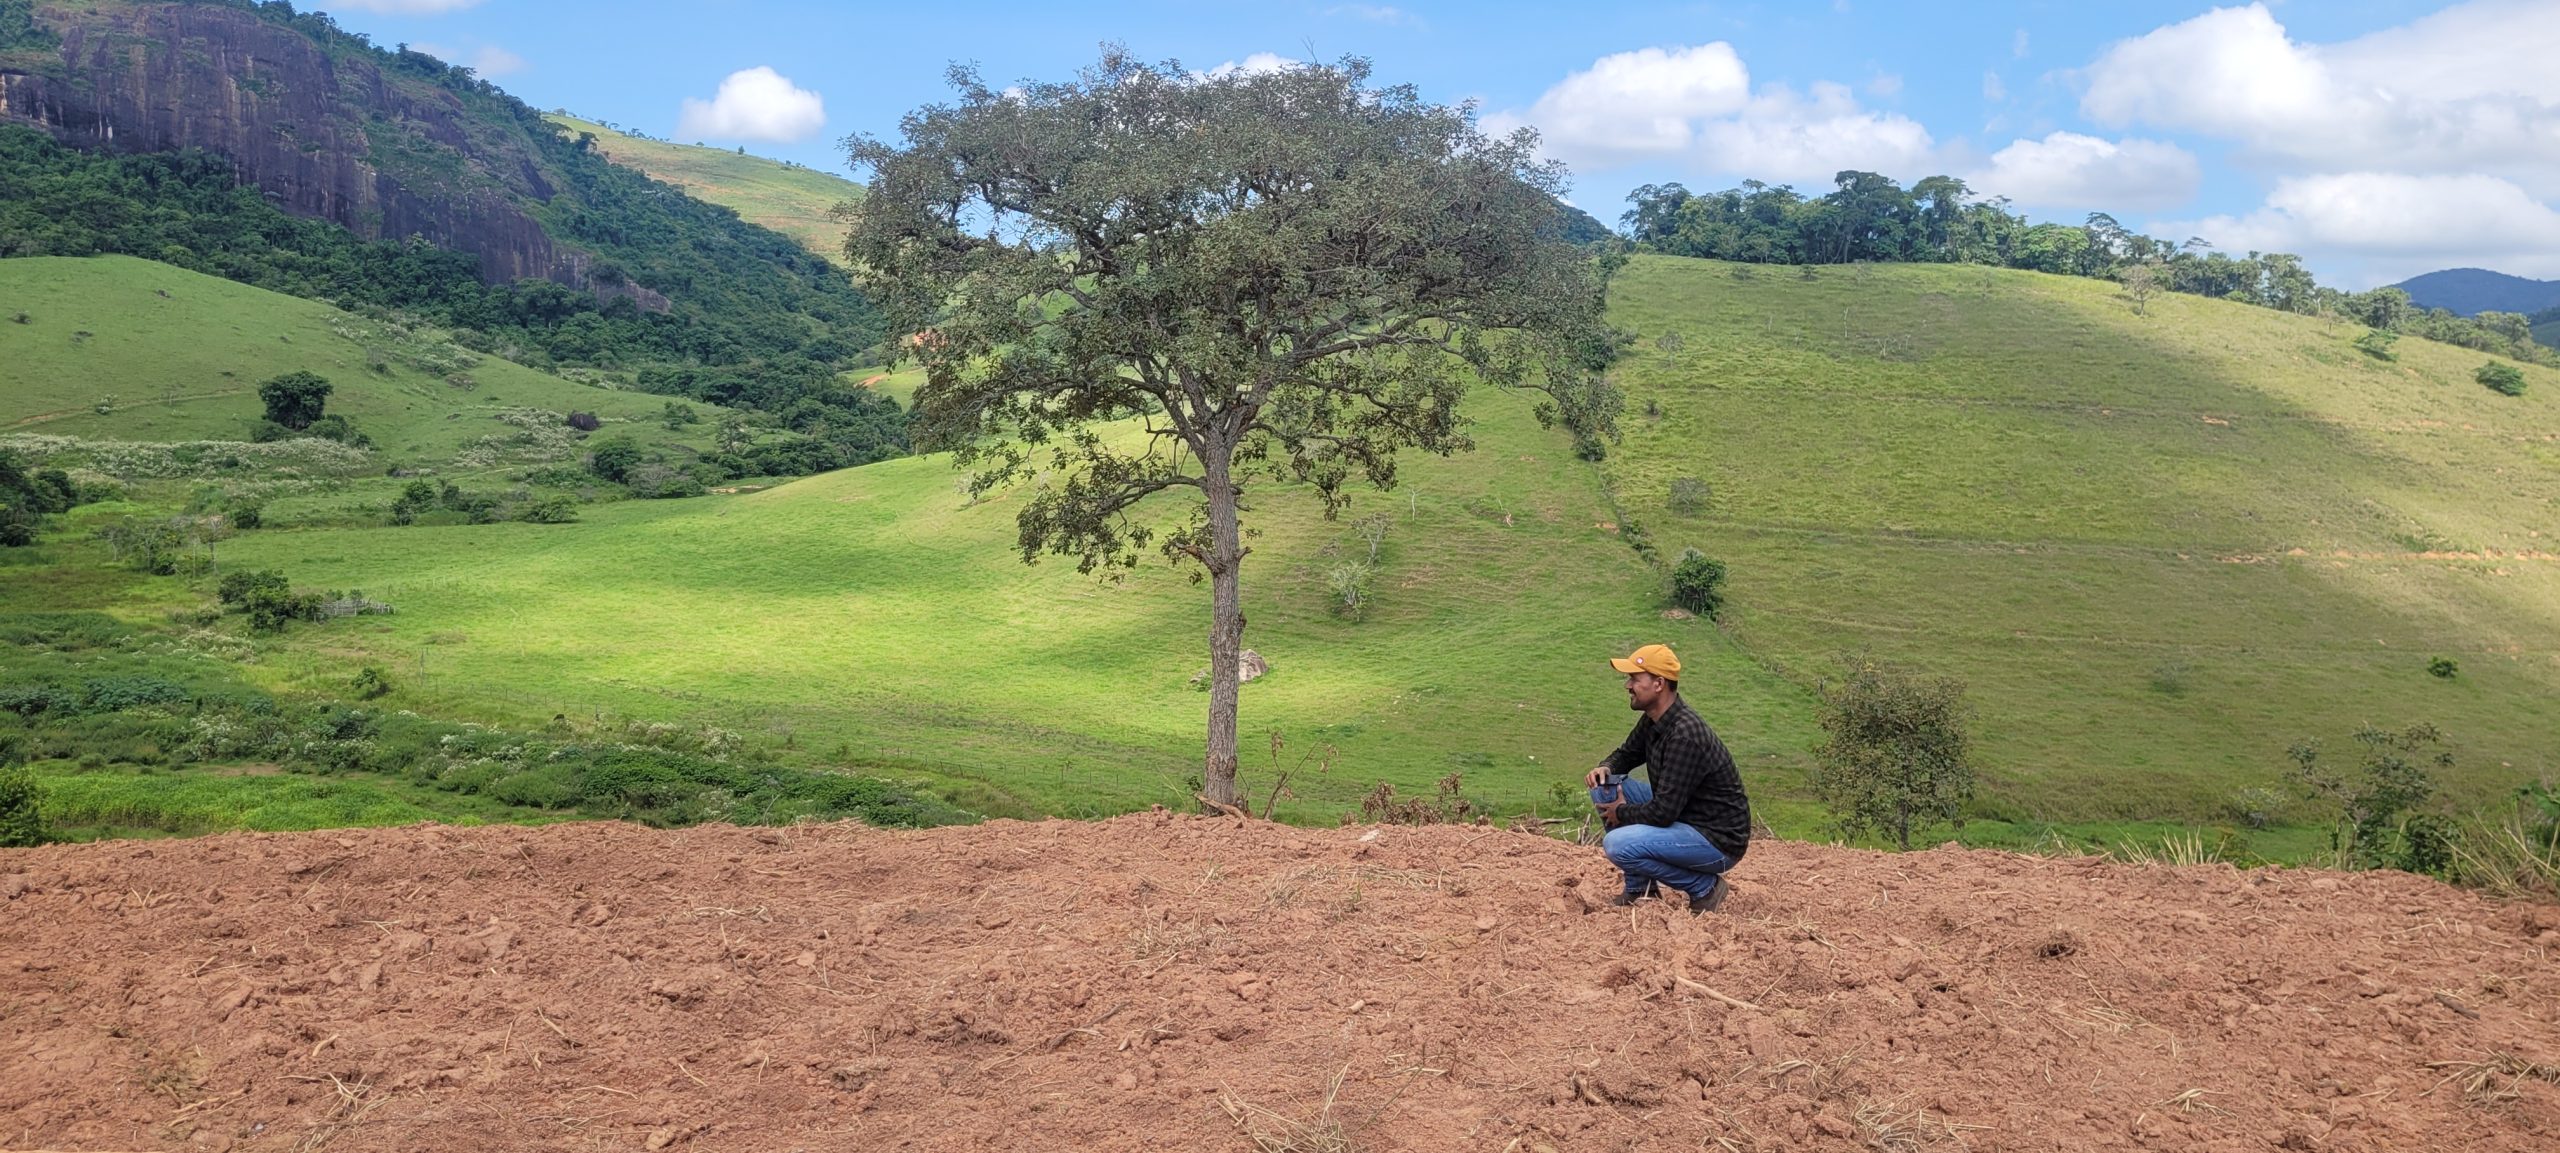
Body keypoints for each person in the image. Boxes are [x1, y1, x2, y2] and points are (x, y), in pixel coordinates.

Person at [1582, 644, 1752, 913]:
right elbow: (1626, 755)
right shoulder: (1655, 719)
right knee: (1605, 786)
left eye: (1635, 679)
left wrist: (1621, 813)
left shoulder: (1685, 735)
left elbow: (1663, 813)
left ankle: (1704, 887)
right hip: (1685, 814)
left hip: (1716, 839)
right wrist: (1605, 767)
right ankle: (1641, 889)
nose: (1628, 685)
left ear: (1659, 684)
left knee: (1617, 845)